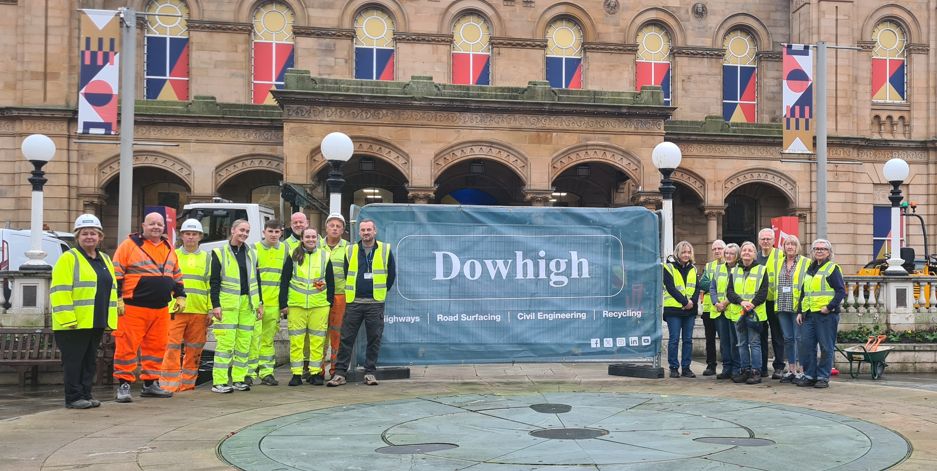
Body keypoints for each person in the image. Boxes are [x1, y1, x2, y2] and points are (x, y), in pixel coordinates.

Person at [111, 212, 185, 402]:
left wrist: (180, 295)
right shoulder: (129, 245)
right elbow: (116, 273)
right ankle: (124, 385)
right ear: (143, 225)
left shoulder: (169, 247)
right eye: (152, 224)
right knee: (127, 347)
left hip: (160, 308)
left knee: (157, 346)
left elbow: (175, 274)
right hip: (133, 307)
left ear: (164, 227)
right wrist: (118, 298)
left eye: (159, 224)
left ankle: (150, 383)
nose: (156, 227)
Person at [50, 214, 118, 409]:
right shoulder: (68, 258)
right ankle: (73, 397)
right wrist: (67, 318)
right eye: (85, 233)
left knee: (89, 361)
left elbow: (110, 290)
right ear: (77, 236)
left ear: (100, 237)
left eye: (93, 234)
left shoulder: (104, 259)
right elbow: (59, 290)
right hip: (73, 323)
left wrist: (110, 318)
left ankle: (86, 394)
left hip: (95, 320)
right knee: (74, 362)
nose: (89, 237)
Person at [327, 219, 396, 387]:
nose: (366, 233)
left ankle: (370, 373)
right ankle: (340, 374)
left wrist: (380, 291)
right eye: (363, 230)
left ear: (375, 231)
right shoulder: (350, 250)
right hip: (354, 302)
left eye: (369, 230)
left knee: (374, 338)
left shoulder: (385, 249)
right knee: (346, 338)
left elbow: (391, 274)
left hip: (375, 302)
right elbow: (346, 271)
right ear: (359, 232)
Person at [209, 219, 263, 393]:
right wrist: (215, 305)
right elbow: (214, 282)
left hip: (248, 304)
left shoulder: (251, 253)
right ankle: (219, 381)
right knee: (225, 344)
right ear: (232, 230)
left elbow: (257, 280)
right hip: (228, 306)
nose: (244, 234)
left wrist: (259, 303)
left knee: (244, 344)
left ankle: (239, 378)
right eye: (241, 230)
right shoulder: (219, 252)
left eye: (247, 231)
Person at [158, 219, 211, 393]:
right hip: (176, 310)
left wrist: (210, 309)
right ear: (182, 236)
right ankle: (168, 384)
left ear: (200, 237)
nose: (191, 237)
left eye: (194, 234)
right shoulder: (173, 255)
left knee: (194, 349)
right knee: (171, 347)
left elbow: (211, 285)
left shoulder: (207, 258)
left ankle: (188, 383)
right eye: (187, 234)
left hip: (199, 310)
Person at [280, 227, 335, 386]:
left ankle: (315, 373)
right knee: (297, 341)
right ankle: (296, 374)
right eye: (308, 237)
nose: (311, 239)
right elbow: (285, 280)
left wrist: (329, 301)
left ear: (317, 239)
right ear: (302, 239)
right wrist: (283, 303)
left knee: (317, 341)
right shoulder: (293, 255)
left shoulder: (325, 255)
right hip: (297, 305)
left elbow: (330, 281)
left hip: (319, 305)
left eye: (313, 237)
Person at [796, 239, 847, 388]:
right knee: (807, 346)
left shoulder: (832, 268)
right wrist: (800, 311)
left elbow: (841, 291)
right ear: (812, 252)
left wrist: (829, 307)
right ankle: (810, 375)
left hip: (826, 315)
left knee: (826, 347)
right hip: (809, 315)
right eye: (816, 248)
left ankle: (823, 377)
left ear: (829, 252)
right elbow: (804, 292)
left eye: (823, 249)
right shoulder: (810, 269)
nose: (819, 251)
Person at [251, 220, 290, 386]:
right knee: (252, 339)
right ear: (264, 232)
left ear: (281, 233)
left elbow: (286, 278)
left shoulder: (285, 249)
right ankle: (249, 373)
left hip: (274, 304)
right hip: (255, 303)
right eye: (270, 231)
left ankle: (266, 372)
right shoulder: (254, 249)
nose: (273, 235)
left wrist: (283, 303)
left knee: (267, 340)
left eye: (277, 232)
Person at [727, 241, 769, 385]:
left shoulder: (762, 270)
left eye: (750, 250)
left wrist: (751, 304)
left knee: (754, 343)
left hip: (754, 314)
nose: (746, 252)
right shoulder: (734, 271)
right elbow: (730, 292)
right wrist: (741, 302)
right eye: (744, 250)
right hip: (739, 313)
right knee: (741, 343)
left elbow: (763, 292)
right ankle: (745, 371)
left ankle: (756, 372)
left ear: (754, 254)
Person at [775, 235, 810, 384]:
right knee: (788, 339)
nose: (790, 247)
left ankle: (802, 371)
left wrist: (803, 308)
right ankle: (791, 370)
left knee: (799, 339)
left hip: (797, 307)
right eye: (787, 244)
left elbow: (808, 286)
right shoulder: (778, 263)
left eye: (793, 244)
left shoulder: (805, 263)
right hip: (782, 305)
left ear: (797, 247)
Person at [662, 240, 699, 378]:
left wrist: (692, 302)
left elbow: (696, 287)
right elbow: (670, 288)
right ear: (678, 253)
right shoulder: (668, 267)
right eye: (683, 252)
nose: (686, 254)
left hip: (690, 310)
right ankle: (673, 367)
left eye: (689, 252)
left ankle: (686, 368)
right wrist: (685, 302)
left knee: (688, 339)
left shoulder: (693, 269)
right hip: (674, 310)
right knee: (674, 339)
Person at [319, 213, 348, 379]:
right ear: (326, 227)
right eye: (332, 225)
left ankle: (336, 369)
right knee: (320, 334)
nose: (335, 229)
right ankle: (318, 369)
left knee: (337, 334)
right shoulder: (316, 246)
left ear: (343, 230)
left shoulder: (348, 248)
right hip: (319, 296)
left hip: (340, 295)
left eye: (338, 226)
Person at [756, 228, 785, 378]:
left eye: (768, 239)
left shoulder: (781, 255)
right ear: (759, 241)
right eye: (763, 239)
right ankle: (762, 367)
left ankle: (779, 367)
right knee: (760, 335)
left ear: (774, 241)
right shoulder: (755, 257)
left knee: (777, 335)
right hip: (759, 302)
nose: (765, 241)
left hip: (775, 301)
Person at [712, 243, 741, 380]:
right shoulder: (718, 269)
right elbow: (712, 288)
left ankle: (736, 368)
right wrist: (716, 302)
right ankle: (726, 367)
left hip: (733, 310)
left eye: (732, 253)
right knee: (724, 341)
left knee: (735, 341)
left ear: (737, 256)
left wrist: (726, 302)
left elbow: (738, 290)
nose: (729, 256)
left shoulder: (740, 270)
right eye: (727, 253)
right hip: (720, 311)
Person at [698, 240, 726, 376]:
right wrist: (715, 286)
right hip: (709, 308)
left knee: (724, 339)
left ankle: (727, 365)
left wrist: (713, 286)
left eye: (719, 248)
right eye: (714, 249)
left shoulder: (730, 265)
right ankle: (711, 365)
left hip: (724, 308)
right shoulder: (709, 266)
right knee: (709, 339)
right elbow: (702, 283)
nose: (717, 251)